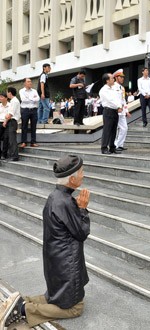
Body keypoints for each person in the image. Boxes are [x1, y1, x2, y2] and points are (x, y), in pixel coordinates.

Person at [0, 155, 90, 328]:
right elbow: (81, 233)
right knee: (76, 308)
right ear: (72, 179)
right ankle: (23, 309)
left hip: (57, 260)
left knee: (54, 297)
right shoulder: (65, 202)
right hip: (67, 263)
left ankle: (19, 302)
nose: (83, 175)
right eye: (81, 172)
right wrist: (83, 209)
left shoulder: (54, 197)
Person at [99, 73, 123, 154]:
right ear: (107, 80)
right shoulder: (103, 90)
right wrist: (118, 106)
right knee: (107, 130)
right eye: (112, 78)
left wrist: (119, 106)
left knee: (114, 130)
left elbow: (117, 98)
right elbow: (110, 100)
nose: (113, 79)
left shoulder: (113, 88)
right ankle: (104, 148)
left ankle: (112, 147)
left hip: (115, 111)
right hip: (108, 110)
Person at [19, 78, 40, 148]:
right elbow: (23, 99)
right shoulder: (21, 91)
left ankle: (33, 142)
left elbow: (38, 99)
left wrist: (29, 98)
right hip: (25, 110)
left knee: (33, 126)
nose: (30, 83)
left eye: (30, 81)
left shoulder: (34, 91)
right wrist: (33, 99)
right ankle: (23, 142)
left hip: (34, 110)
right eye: (28, 81)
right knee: (24, 126)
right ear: (24, 83)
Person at [113, 69, 130, 152]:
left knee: (124, 128)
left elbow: (123, 100)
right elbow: (113, 99)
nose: (122, 78)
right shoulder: (113, 86)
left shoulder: (122, 88)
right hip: (116, 110)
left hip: (122, 111)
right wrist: (117, 107)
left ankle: (119, 144)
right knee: (115, 129)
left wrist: (126, 110)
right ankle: (114, 145)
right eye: (121, 77)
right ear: (116, 77)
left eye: (123, 77)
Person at [4, 87, 21, 161]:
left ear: (10, 93)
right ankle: (12, 155)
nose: (6, 94)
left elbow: (11, 114)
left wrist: (5, 120)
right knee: (9, 139)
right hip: (11, 121)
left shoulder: (14, 101)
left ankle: (15, 156)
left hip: (12, 121)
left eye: (7, 92)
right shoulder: (13, 101)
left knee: (12, 139)